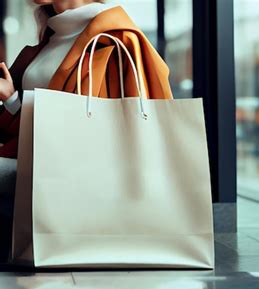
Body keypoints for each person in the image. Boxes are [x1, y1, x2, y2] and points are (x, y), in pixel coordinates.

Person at [0, 0, 173, 262]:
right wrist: (11, 99)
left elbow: (96, 134)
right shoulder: (51, 37)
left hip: (77, 179)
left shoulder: (114, 40)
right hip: (38, 162)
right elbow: (42, 123)